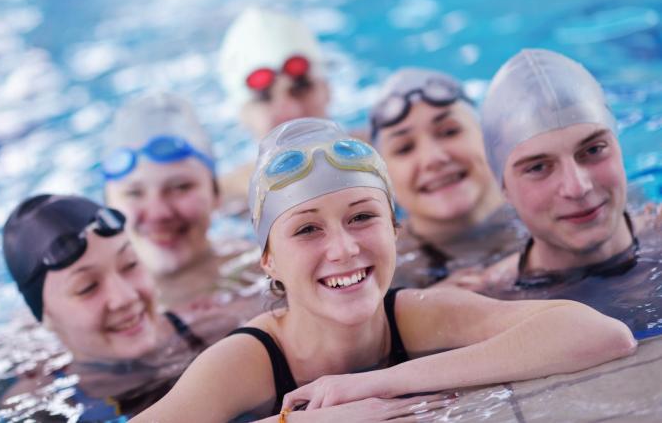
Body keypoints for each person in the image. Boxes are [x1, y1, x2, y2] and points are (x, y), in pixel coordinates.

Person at [134, 118, 636, 422]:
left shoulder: (418, 314)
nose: (344, 249)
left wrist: (378, 383)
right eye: (307, 230)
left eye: (362, 218)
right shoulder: (247, 360)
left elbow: (602, 335)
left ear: (396, 230)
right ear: (268, 258)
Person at [0, 194, 261, 419]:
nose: (125, 297)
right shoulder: (38, 406)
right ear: (45, 316)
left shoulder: (221, 326)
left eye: (130, 265)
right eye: (87, 287)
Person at [470, 48, 662, 334]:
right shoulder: (488, 301)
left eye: (594, 149)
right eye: (538, 167)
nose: (577, 187)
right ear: (504, 187)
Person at [101, 93, 264, 308]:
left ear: (216, 195)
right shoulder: (82, 313)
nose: (158, 213)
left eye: (180, 188)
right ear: (108, 205)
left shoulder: (268, 276)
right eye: (134, 193)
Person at [369, 68, 526, 288]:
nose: (433, 158)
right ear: (383, 179)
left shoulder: (557, 209)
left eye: (449, 131)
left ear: (491, 139)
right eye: (405, 148)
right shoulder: (387, 273)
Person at [217, 7, 334, 202]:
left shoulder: (385, 159)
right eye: (264, 97)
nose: (292, 111)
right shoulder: (225, 199)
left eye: (302, 87)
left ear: (327, 89)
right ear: (243, 115)